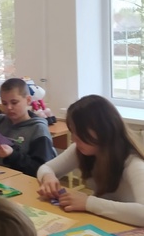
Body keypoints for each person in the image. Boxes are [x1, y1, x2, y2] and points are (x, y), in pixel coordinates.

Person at [37, 94, 144, 227]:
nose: (73, 139)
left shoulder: (134, 163)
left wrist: (88, 203)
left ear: (102, 130)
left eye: (79, 133)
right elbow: (45, 168)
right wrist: (48, 177)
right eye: (72, 132)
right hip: (104, 222)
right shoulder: (81, 149)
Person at [0, 78, 56, 176]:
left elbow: (40, 169)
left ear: (28, 100)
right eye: (4, 103)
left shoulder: (38, 129)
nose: (9, 107)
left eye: (14, 102)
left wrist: (12, 154)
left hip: (21, 182)